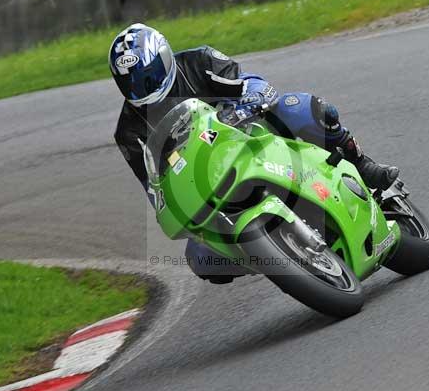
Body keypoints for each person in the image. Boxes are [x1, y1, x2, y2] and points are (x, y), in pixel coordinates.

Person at [110, 23, 399, 282]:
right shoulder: (128, 132)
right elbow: (153, 186)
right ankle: (271, 255)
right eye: (130, 83)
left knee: (301, 107)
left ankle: (362, 164)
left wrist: (253, 96)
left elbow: (246, 81)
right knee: (200, 257)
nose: (141, 89)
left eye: (148, 77)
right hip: (206, 184)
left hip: (248, 136)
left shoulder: (199, 61)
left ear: (164, 58)